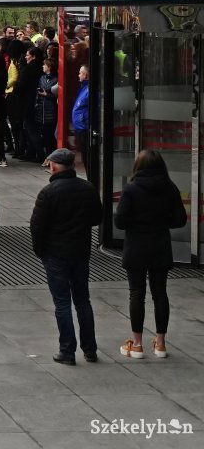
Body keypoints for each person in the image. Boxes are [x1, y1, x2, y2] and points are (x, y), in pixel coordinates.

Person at [30, 147, 103, 364]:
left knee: (62, 302)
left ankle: (67, 351)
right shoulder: (87, 188)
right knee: (83, 300)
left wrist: (39, 250)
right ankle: (90, 349)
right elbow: (96, 217)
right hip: (80, 251)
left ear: (53, 166)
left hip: (55, 253)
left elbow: (37, 226)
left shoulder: (48, 193)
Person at [115, 150, 188, 360]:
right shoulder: (170, 188)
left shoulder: (131, 189)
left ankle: (136, 344)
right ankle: (161, 343)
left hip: (136, 246)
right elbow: (180, 219)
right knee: (160, 294)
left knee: (136, 293)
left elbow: (120, 221)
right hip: (160, 245)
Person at [34, 57, 59, 162]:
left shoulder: (56, 79)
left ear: (49, 66)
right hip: (41, 110)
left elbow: (58, 96)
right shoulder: (42, 78)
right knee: (43, 135)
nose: (42, 66)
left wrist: (46, 95)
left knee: (50, 137)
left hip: (51, 110)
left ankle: (51, 158)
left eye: (44, 65)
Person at [72, 65, 91, 178]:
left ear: (86, 75)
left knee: (87, 156)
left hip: (85, 127)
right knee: (84, 156)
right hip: (80, 126)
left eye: (80, 73)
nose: (78, 75)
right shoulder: (84, 87)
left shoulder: (89, 89)